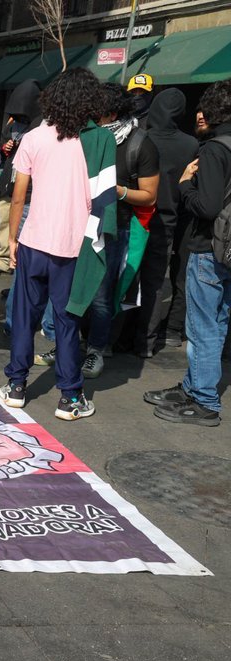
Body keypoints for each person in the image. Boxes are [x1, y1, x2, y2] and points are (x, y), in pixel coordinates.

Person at [1, 67, 107, 422]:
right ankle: (70, 396)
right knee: (67, 320)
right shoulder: (95, 141)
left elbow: (19, 196)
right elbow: (102, 199)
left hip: (34, 239)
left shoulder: (33, 137)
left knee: (24, 316)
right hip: (73, 246)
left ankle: (16, 386)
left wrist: (13, 238)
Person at [38, 84, 159, 377]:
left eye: (95, 111)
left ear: (111, 113)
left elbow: (150, 195)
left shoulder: (139, 144)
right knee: (66, 289)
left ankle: (96, 350)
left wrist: (116, 191)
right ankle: (64, 344)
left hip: (113, 226)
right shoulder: (82, 137)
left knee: (101, 294)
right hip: (75, 222)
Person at [145, 79, 231, 426]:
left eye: (203, 108)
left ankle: (205, 400)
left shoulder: (213, 149)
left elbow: (207, 206)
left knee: (203, 326)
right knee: (218, 321)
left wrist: (183, 186)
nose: (198, 113)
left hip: (207, 247)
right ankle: (195, 386)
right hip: (227, 249)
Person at [129, 88, 198, 357]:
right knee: (155, 284)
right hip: (168, 222)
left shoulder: (141, 138)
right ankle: (144, 343)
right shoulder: (190, 144)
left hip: (136, 216)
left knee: (126, 279)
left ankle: (112, 339)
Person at [0, 80, 41, 274]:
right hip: (9, 180)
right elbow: (2, 148)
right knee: (4, 217)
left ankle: (17, 262)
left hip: (28, 185)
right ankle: (4, 259)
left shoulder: (40, 126)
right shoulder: (12, 125)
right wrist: (6, 148)